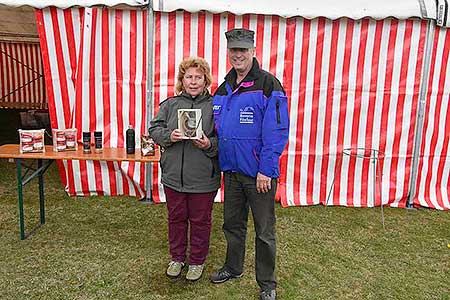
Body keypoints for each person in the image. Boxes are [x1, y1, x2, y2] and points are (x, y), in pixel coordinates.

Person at [209, 29, 289, 300]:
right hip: (231, 172)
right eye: (234, 50)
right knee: (232, 225)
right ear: (228, 53)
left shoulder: (268, 84)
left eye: (243, 50)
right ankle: (233, 267)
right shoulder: (222, 88)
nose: (238, 54)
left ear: (253, 51)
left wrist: (266, 169)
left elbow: (277, 131)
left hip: (259, 175)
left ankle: (267, 284)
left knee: (264, 231)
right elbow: (216, 129)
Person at [149, 57, 221, 281]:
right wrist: (169, 136)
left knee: (200, 220)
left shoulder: (215, 106)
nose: (193, 81)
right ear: (182, 80)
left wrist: (209, 144)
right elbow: (154, 129)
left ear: (205, 80)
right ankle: (177, 257)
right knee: (176, 218)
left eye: (198, 77)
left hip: (203, 178)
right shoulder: (170, 104)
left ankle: (197, 261)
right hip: (173, 177)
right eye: (188, 77)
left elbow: (225, 140)